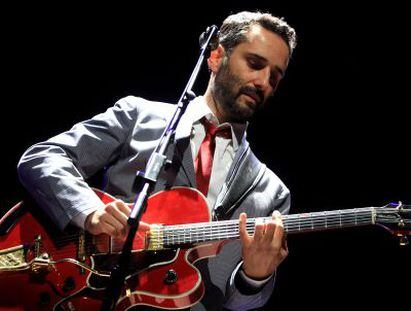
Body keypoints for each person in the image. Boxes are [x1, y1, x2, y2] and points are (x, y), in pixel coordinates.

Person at [17, 10, 297, 311]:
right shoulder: (139, 117)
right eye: (255, 64)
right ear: (215, 57)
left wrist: (255, 277)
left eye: (275, 78)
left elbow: (240, 303)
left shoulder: (272, 193)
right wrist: (90, 211)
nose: (264, 82)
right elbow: (42, 158)